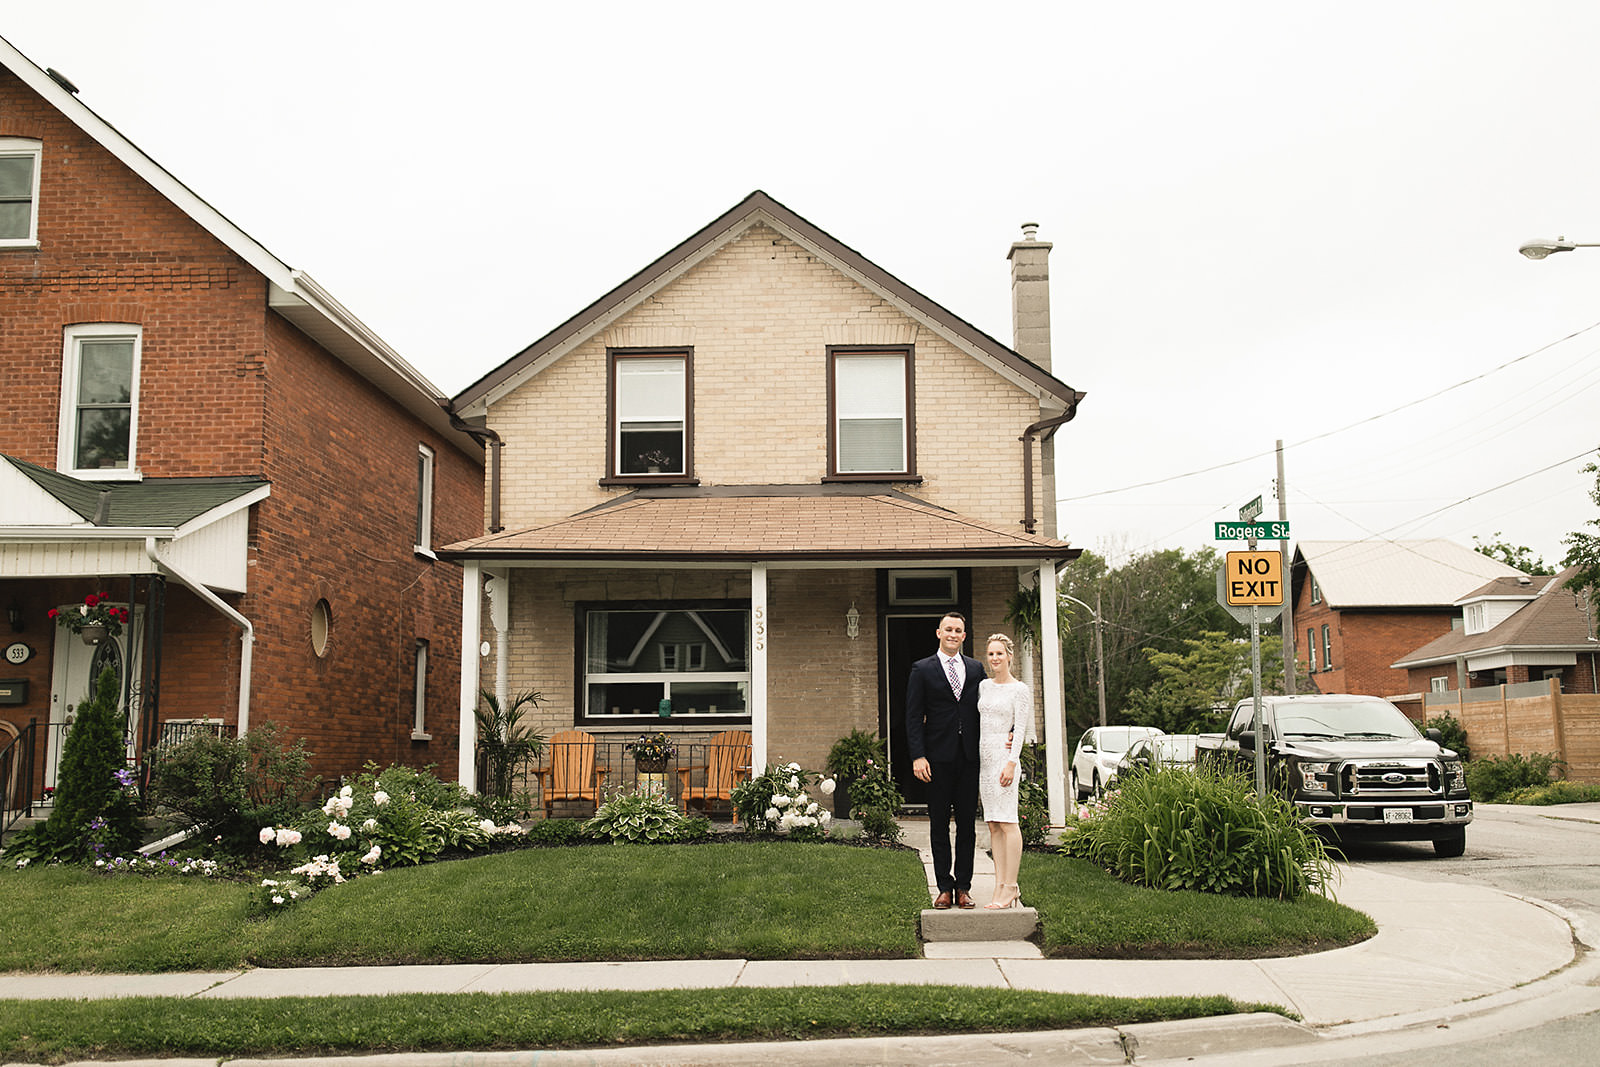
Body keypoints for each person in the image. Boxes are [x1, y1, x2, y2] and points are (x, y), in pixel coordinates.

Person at [906, 611, 983, 909]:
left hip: (968, 758)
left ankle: (963, 887)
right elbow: (913, 716)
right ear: (938, 633)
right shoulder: (922, 669)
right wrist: (918, 756)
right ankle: (943, 887)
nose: (953, 634)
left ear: (964, 636)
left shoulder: (976, 670)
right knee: (939, 824)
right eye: (948, 629)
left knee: (967, 825)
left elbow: (984, 711)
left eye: (958, 630)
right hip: (936, 759)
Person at [978, 633, 1032, 909]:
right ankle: (999, 884)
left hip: (1004, 761)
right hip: (985, 764)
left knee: (1009, 822)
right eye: (991, 654)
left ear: (1010, 656)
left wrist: (1012, 761)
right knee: (993, 824)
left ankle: (1011, 886)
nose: (995, 658)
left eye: (1000, 653)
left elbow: (1020, 729)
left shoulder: (1019, 690)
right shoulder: (984, 687)